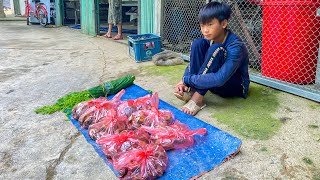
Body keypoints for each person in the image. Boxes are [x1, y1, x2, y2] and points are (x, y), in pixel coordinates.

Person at [174, 1, 250, 116]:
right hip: (212, 85)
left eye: (210, 25)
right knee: (197, 44)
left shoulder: (236, 46)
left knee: (217, 49)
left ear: (223, 23)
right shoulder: (210, 38)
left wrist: (188, 79)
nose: (205, 30)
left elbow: (220, 78)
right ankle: (193, 91)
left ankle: (197, 99)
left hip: (234, 87)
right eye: (202, 25)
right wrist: (183, 81)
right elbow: (194, 62)